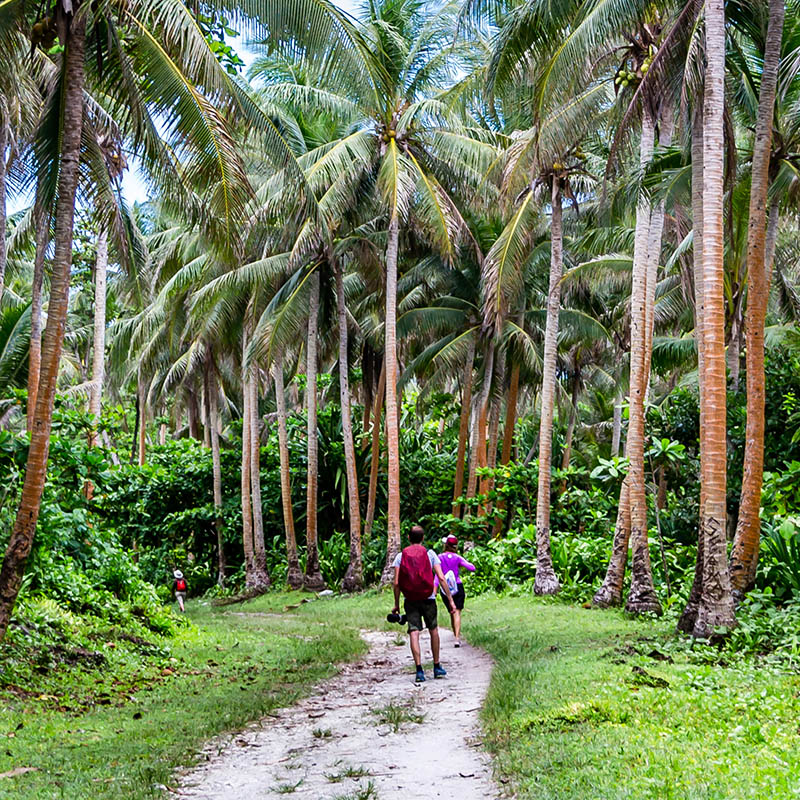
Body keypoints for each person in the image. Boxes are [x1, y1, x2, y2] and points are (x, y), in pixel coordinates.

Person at [392, 525, 456, 683]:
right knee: (433, 630)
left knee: (414, 632)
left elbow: (396, 583)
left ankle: (419, 670)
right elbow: (441, 577)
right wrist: (450, 600)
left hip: (410, 599)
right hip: (429, 598)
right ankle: (436, 666)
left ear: (408, 538)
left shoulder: (401, 556)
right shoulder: (430, 554)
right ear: (423, 538)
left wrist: (396, 605)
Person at [436, 535, 475, 647]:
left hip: (445, 589)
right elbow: (472, 568)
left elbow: (437, 576)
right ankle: (457, 638)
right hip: (457, 586)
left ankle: (455, 635)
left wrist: (435, 588)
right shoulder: (457, 557)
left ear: (446, 545)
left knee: (451, 612)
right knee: (457, 611)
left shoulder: (440, 557)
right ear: (455, 546)